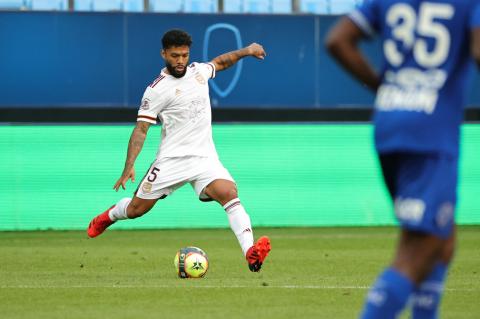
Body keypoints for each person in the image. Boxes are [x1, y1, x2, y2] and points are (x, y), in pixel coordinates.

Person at [326, 1, 480, 318]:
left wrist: (384, 86)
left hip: (390, 123)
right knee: (417, 250)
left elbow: (337, 40)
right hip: (431, 133)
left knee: (441, 239)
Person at [87, 29, 271, 272]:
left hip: (204, 157)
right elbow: (141, 129)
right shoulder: (156, 90)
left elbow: (222, 62)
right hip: (171, 161)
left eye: (184, 55)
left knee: (228, 192)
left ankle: (250, 252)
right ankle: (109, 216)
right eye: (175, 55)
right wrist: (129, 166)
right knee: (136, 210)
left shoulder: (198, 72)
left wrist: (247, 51)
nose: (180, 61)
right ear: (164, 54)